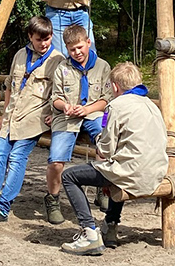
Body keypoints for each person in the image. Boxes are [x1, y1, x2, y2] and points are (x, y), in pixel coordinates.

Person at [0, 16, 64, 224]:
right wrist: (4, 113)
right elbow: (10, 85)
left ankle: (2, 207)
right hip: (12, 118)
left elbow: (60, 93)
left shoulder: (58, 60)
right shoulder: (20, 55)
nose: (44, 43)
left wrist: (53, 116)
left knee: (17, 158)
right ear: (30, 37)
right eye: (39, 39)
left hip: (33, 120)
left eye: (48, 38)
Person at [59, 61, 167, 255]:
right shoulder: (152, 105)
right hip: (156, 171)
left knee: (70, 176)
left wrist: (98, 139)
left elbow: (106, 149)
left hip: (132, 173)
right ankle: (110, 224)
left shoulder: (115, 106)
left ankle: (89, 233)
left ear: (115, 87)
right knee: (117, 169)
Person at [43, 25, 112, 225]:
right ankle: (53, 199)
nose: (77, 52)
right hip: (67, 117)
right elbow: (54, 98)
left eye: (80, 47)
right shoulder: (62, 69)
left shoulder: (102, 66)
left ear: (88, 43)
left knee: (104, 142)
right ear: (66, 49)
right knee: (56, 160)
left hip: (94, 113)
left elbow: (106, 99)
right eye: (72, 50)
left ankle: (102, 189)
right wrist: (64, 106)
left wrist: (88, 110)